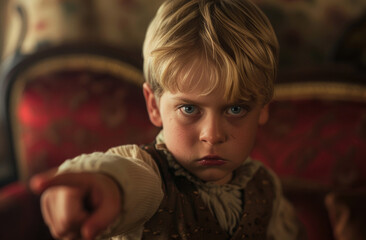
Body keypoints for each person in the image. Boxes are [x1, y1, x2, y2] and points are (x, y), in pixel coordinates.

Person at [31, 0, 305, 239]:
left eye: (235, 109)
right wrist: (106, 186)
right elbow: (126, 176)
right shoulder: (150, 178)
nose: (212, 135)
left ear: (264, 109)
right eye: (189, 109)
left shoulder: (266, 186)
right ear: (154, 105)